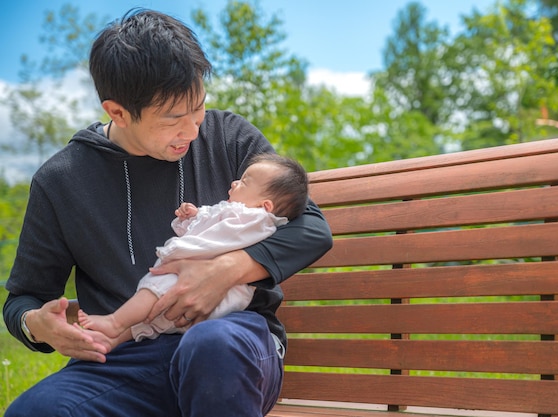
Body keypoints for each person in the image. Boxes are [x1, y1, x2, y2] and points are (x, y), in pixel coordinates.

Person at [2, 8, 332, 417]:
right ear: (117, 111)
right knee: (37, 412)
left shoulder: (228, 137)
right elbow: (24, 297)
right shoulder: (60, 181)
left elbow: (313, 228)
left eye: (198, 109)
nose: (193, 131)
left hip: (233, 341)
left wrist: (226, 270)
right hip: (126, 359)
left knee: (210, 348)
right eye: (174, 119)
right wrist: (37, 323)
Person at [77, 153, 309, 349]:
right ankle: (111, 340)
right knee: (154, 319)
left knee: (154, 292)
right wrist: (194, 216)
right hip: (209, 298)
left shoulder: (257, 219)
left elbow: (218, 221)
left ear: (265, 206)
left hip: (212, 290)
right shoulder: (242, 217)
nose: (234, 183)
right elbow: (211, 224)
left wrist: (202, 215)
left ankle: (115, 322)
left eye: (244, 182)